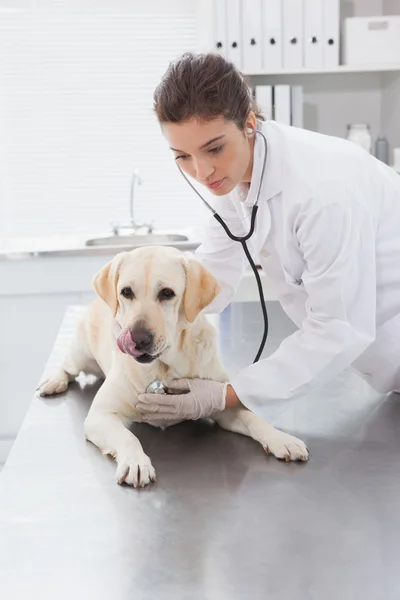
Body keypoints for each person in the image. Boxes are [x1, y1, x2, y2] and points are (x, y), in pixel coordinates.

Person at [136, 51, 400, 424]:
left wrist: (225, 395)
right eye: (182, 156)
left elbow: (339, 327)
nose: (202, 171)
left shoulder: (323, 192)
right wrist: (143, 316)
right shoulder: (233, 179)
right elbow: (211, 279)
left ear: (249, 121)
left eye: (214, 148)